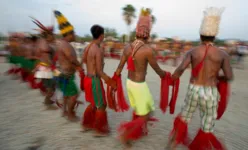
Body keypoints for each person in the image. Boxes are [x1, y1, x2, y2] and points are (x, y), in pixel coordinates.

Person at [167, 7, 233, 150]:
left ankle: (172, 144)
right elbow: (229, 76)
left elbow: (180, 70)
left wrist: (170, 78)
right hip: (210, 92)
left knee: (184, 118)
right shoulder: (223, 55)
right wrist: (216, 75)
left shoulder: (192, 52)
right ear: (214, 36)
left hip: (194, 89)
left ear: (200, 35)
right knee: (207, 124)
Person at [113, 8, 166, 148]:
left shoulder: (127, 48)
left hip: (130, 83)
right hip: (139, 86)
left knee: (146, 107)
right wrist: (167, 76)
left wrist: (114, 81)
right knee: (146, 115)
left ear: (136, 32)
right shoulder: (148, 50)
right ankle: (126, 135)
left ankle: (138, 131)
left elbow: (119, 68)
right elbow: (157, 70)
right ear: (147, 35)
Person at [81, 25, 116, 137]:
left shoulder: (88, 47)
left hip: (87, 78)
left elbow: (83, 60)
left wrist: (91, 66)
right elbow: (100, 72)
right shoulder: (98, 49)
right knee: (101, 105)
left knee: (93, 103)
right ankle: (99, 131)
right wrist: (110, 82)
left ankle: (87, 125)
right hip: (94, 80)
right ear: (101, 35)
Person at [54, 10, 83, 121]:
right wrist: (79, 65)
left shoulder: (61, 43)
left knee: (66, 93)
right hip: (65, 74)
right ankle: (70, 114)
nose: (75, 35)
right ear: (69, 34)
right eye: (74, 33)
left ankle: (65, 111)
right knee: (74, 94)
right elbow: (72, 59)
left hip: (62, 73)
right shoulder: (65, 45)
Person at [31, 17, 57, 106]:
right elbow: (47, 59)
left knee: (51, 85)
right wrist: (54, 69)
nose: (53, 36)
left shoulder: (41, 42)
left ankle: (48, 100)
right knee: (52, 85)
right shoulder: (45, 45)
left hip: (42, 67)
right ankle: (47, 101)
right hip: (46, 68)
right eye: (52, 35)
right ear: (48, 35)